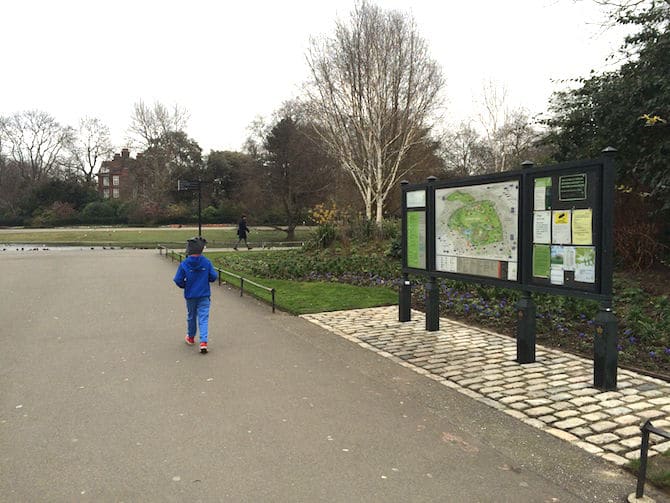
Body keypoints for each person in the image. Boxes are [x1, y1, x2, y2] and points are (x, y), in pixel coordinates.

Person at [173, 237, 218, 353]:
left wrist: (185, 285)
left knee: (191, 316)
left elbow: (178, 279)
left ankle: (191, 337)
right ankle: (203, 341)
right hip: (204, 294)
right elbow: (213, 277)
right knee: (203, 317)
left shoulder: (184, 264)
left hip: (190, 294)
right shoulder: (206, 262)